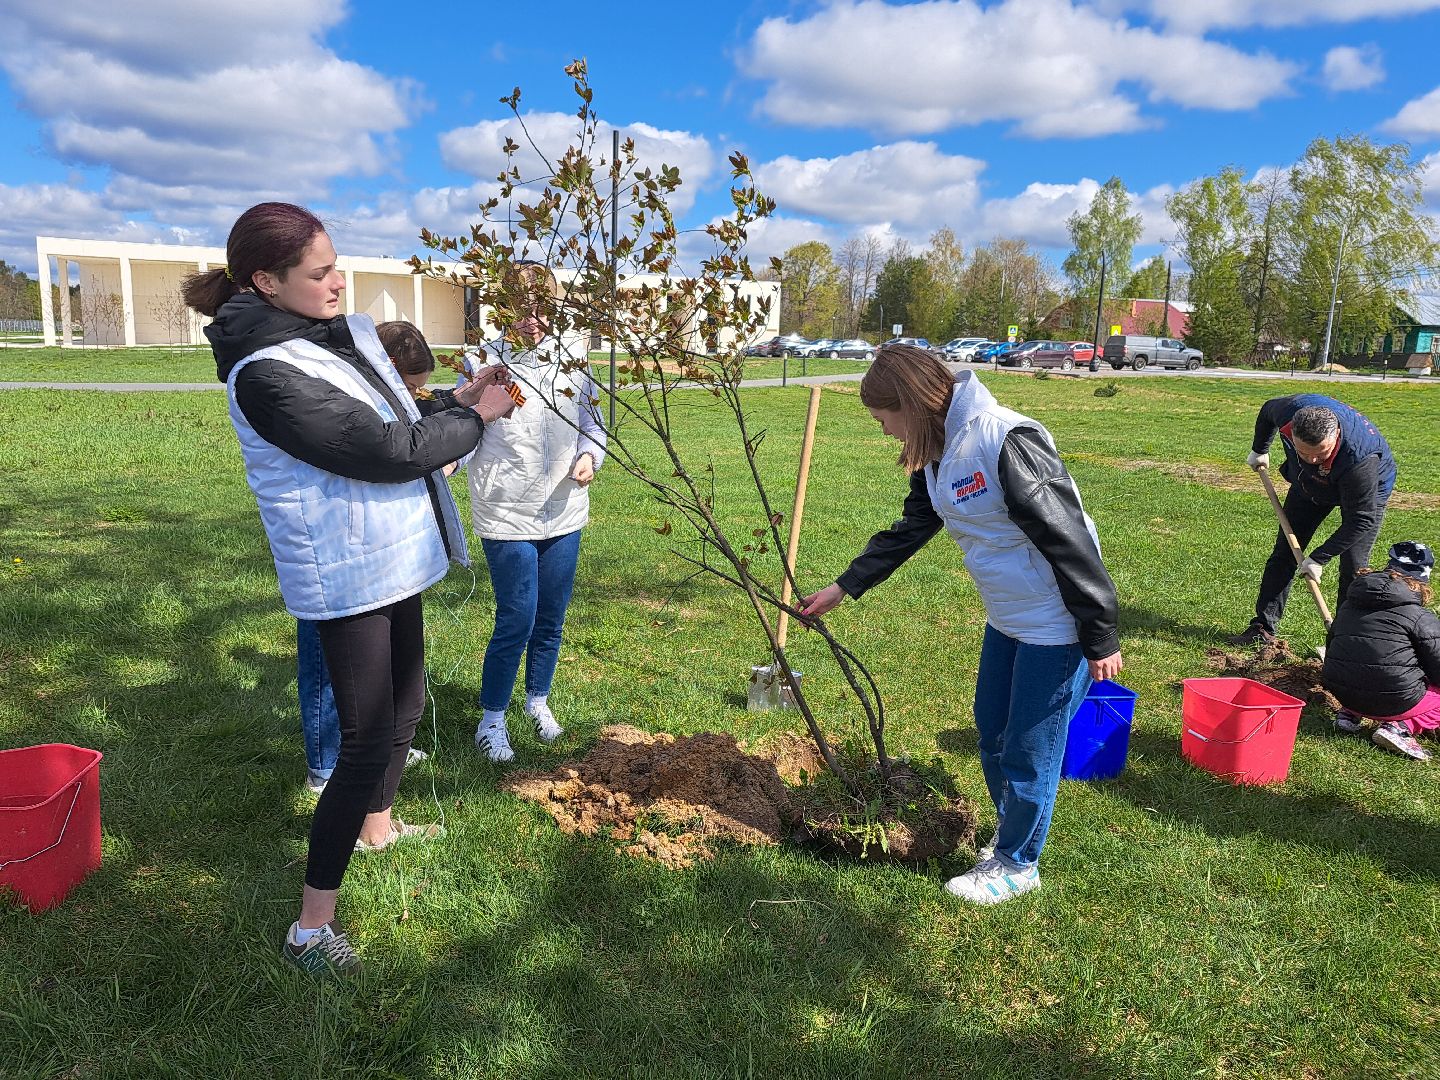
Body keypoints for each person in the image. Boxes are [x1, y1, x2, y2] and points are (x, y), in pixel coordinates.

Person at [183, 201, 518, 975]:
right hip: (344, 566)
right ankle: (311, 926)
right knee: (365, 738)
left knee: (404, 703)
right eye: (320, 272)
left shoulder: (328, 332)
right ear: (265, 282)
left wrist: (458, 403)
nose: (339, 281)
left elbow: (396, 412)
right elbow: (385, 449)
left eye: (339, 264)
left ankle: (379, 827)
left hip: (392, 552)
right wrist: (479, 422)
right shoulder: (267, 373)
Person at [799, 345, 1122, 906]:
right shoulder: (939, 449)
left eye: (884, 420)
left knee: (1030, 745)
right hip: (1009, 614)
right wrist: (845, 585)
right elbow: (915, 524)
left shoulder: (1005, 441)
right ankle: (1011, 833)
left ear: (911, 403)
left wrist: (1099, 635)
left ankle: (1019, 864)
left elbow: (1069, 541)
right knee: (992, 729)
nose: (885, 434)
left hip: (1055, 621)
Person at [298, 320, 450, 797]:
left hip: (375, 550)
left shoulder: (386, 399)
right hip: (335, 554)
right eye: (407, 387)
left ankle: (381, 746)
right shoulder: (339, 400)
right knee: (327, 668)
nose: (412, 396)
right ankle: (324, 767)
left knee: (376, 668)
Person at [465, 262, 605, 762]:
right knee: (517, 616)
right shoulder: (483, 360)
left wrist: (590, 453)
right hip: (506, 507)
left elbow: (592, 420)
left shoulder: (572, 359)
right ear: (503, 309)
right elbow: (467, 425)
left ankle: (537, 700)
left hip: (563, 506)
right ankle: (492, 719)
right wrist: (441, 463)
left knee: (551, 616)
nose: (532, 321)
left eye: (542, 310)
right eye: (521, 310)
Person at [1229, 394, 1396, 647]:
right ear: (1291, 432)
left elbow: (1361, 519)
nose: (1312, 460)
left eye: (1320, 454)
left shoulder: (1360, 460)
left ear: (1336, 436)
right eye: (1303, 453)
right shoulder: (1289, 411)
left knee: (1352, 566)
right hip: (1308, 485)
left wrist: (1319, 558)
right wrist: (1259, 449)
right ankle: (1262, 628)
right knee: (1284, 554)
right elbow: (1266, 412)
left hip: (1364, 493)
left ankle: (1343, 642)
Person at [1322, 541, 1440, 762]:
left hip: (1342, 690)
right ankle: (1400, 727)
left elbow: (1332, 644)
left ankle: (1349, 715)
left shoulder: (1351, 602)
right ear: (1421, 581)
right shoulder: (1418, 616)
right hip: (1392, 698)